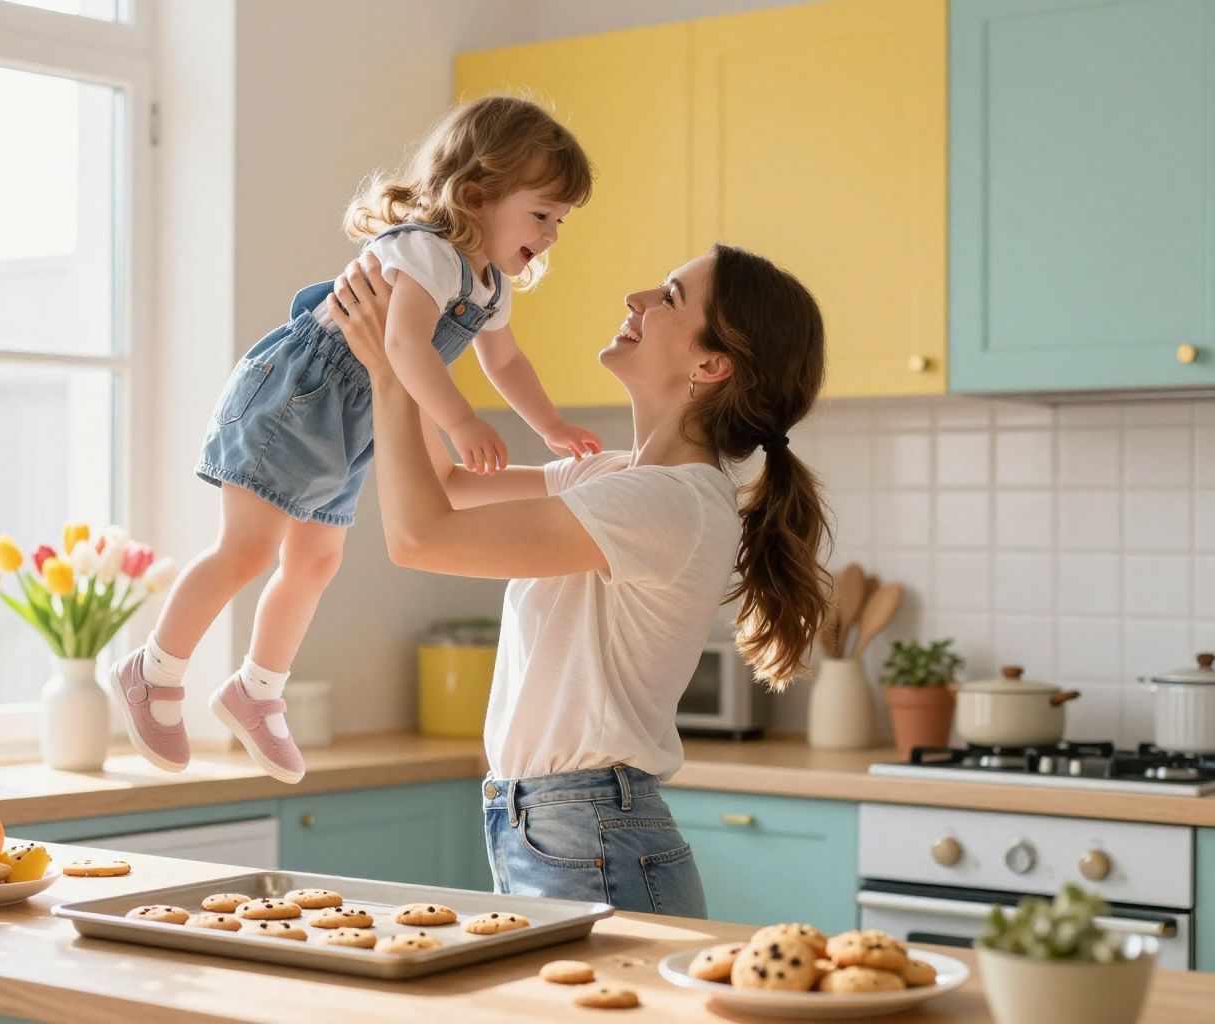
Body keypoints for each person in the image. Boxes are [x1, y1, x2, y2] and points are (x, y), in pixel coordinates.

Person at [325, 243, 831, 916]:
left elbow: (420, 537)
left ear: (710, 365)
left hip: (588, 831)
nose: (637, 300)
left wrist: (391, 375)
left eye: (669, 298)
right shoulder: (613, 477)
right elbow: (446, 484)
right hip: (551, 825)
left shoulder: (672, 503)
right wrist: (410, 341)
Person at [108, 96, 601, 782]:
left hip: (353, 417)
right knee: (247, 551)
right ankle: (152, 670)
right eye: (541, 214)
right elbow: (401, 341)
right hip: (296, 396)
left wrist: (548, 427)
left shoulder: (489, 288)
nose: (550, 235)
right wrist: (458, 420)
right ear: (479, 194)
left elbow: (506, 361)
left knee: (314, 563)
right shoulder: (423, 250)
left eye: (561, 222)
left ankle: (256, 690)